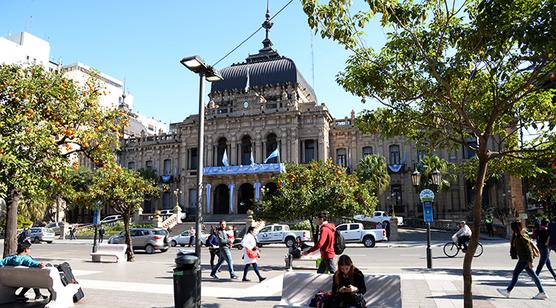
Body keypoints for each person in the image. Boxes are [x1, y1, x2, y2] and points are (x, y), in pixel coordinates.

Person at [497, 220, 547, 299]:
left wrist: (530, 261)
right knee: (534, 276)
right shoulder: (519, 234)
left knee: (515, 274)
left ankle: (508, 291)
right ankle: (542, 292)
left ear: (514, 228)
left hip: (524, 260)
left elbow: (529, 249)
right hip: (524, 259)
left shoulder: (522, 236)